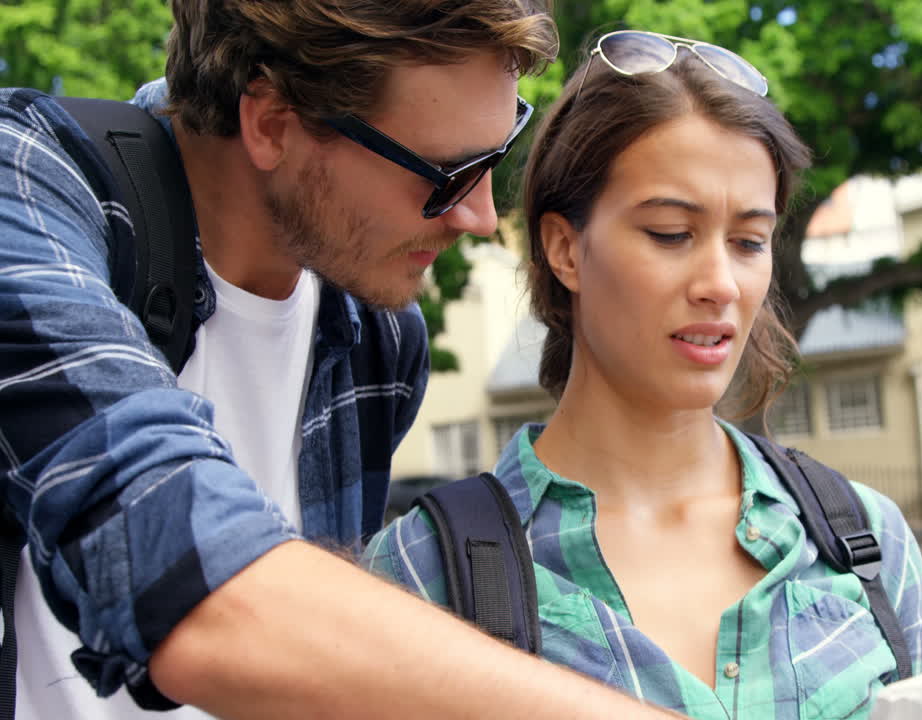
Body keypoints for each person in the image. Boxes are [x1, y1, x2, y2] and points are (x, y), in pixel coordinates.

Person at [0, 2, 684, 719]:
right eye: (445, 173)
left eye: (498, 153)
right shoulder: (33, 195)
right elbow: (186, 575)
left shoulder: (379, 336)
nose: (479, 215)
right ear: (271, 122)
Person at [365, 29, 922, 719]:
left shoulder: (865, 544)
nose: (720, 284)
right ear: (565, 249)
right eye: (671, 233)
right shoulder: (423, 573)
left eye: (749, 242)